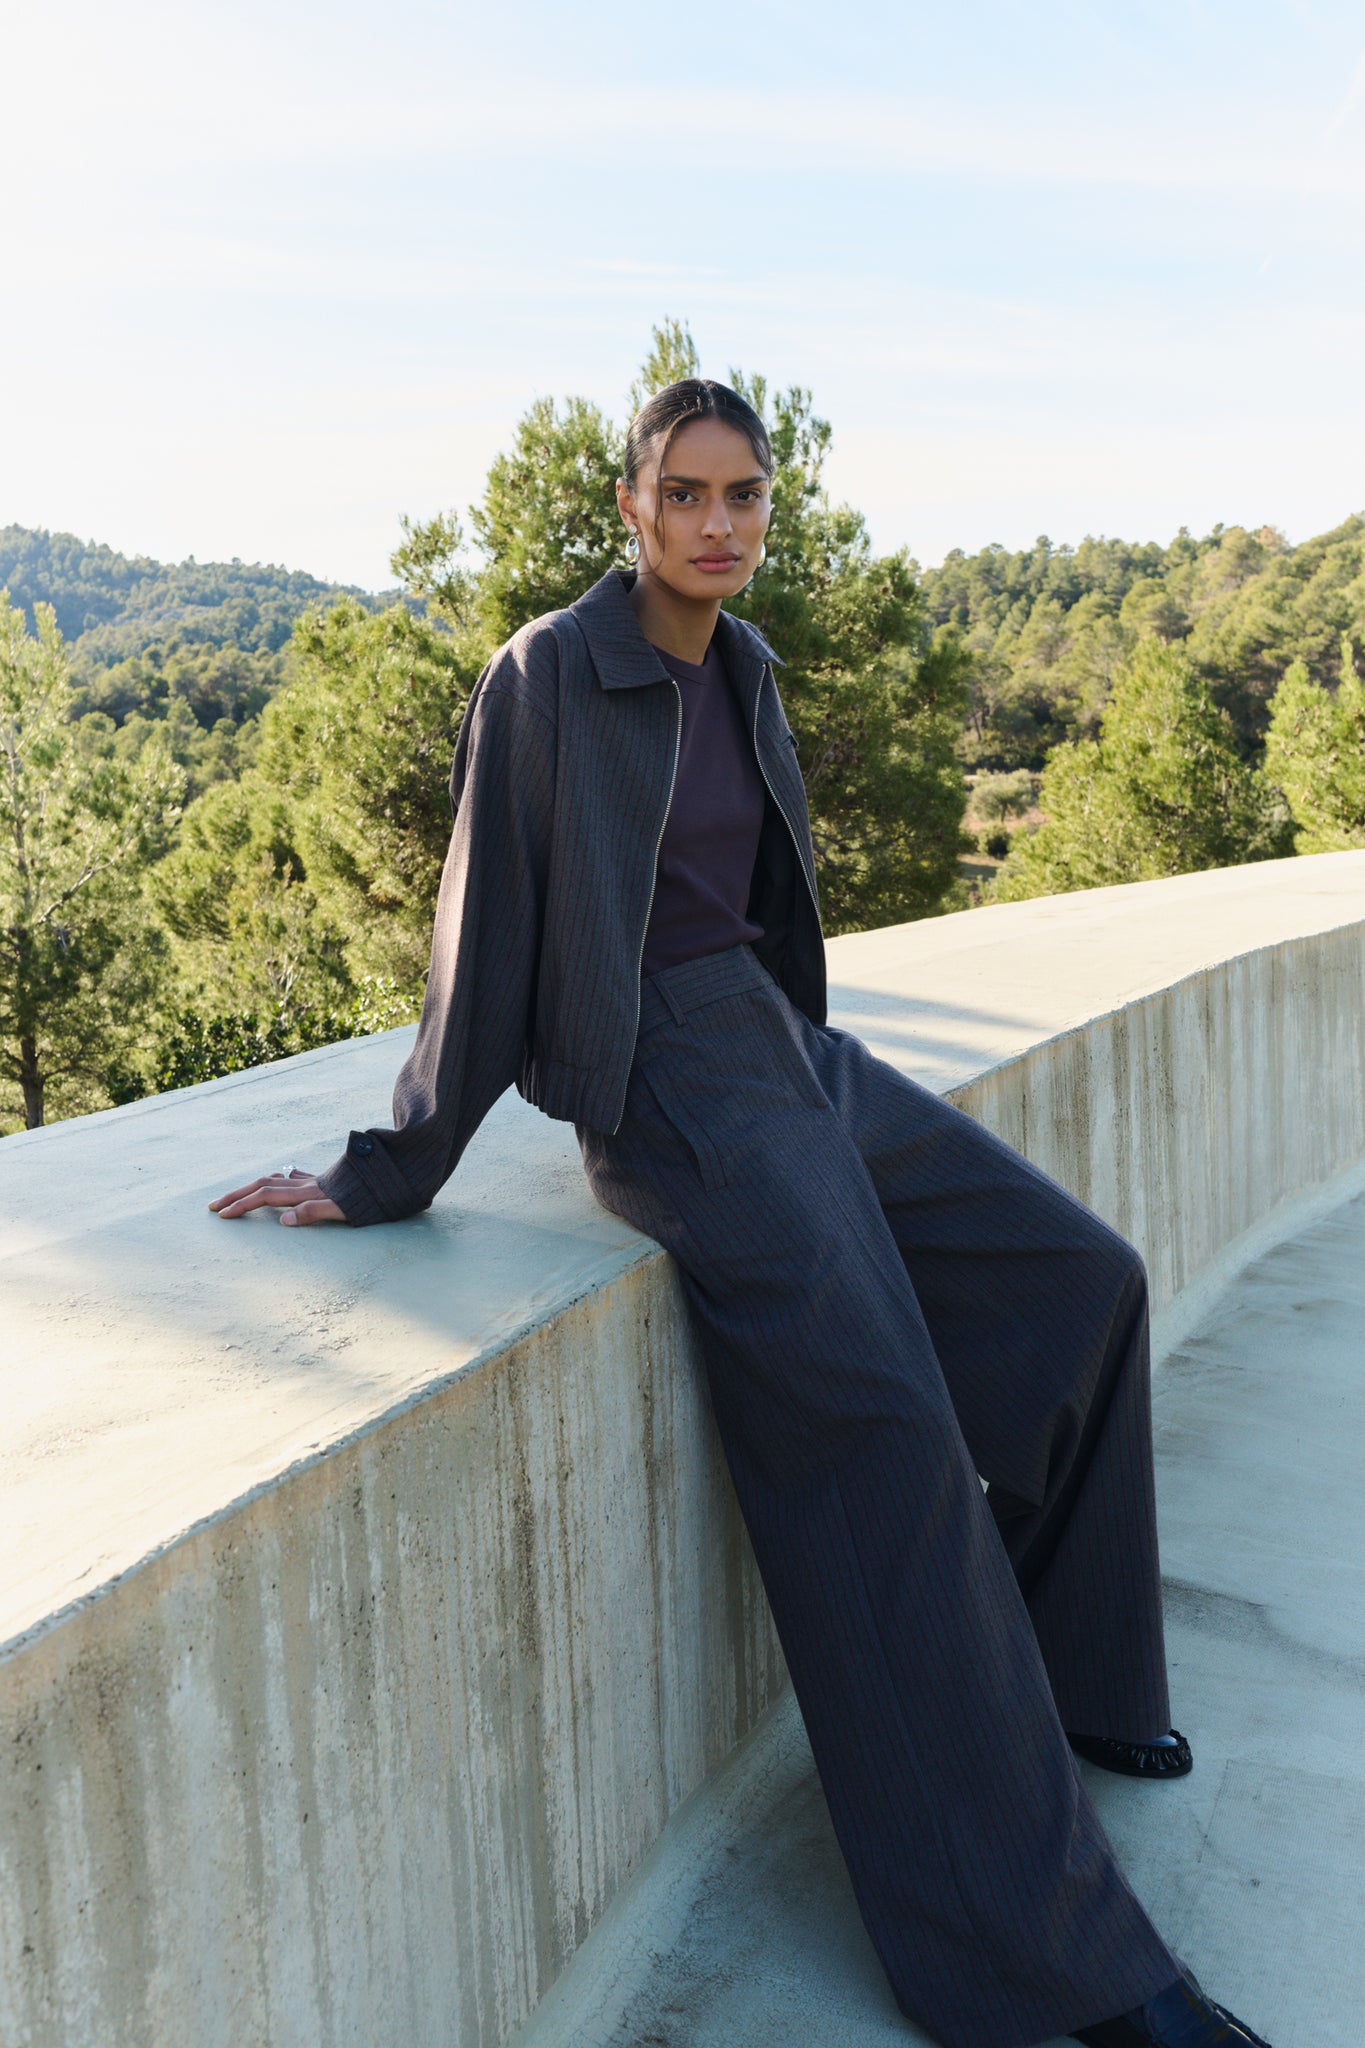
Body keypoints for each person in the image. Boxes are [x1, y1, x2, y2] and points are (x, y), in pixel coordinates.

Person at [212, 379, 1272, 2048]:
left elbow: (771, 914)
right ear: (630, 506)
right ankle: (1051, 1958)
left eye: (746, 495)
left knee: (1083, 1283)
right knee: (889, 1433)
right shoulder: (548, 674)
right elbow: (484, 938)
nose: (719, 524)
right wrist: (390, 1162)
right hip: (666, 1083)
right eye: (687, 492)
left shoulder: (748, 666)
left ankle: (1074, 1682)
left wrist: (810, 1083)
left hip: (785, 1057)